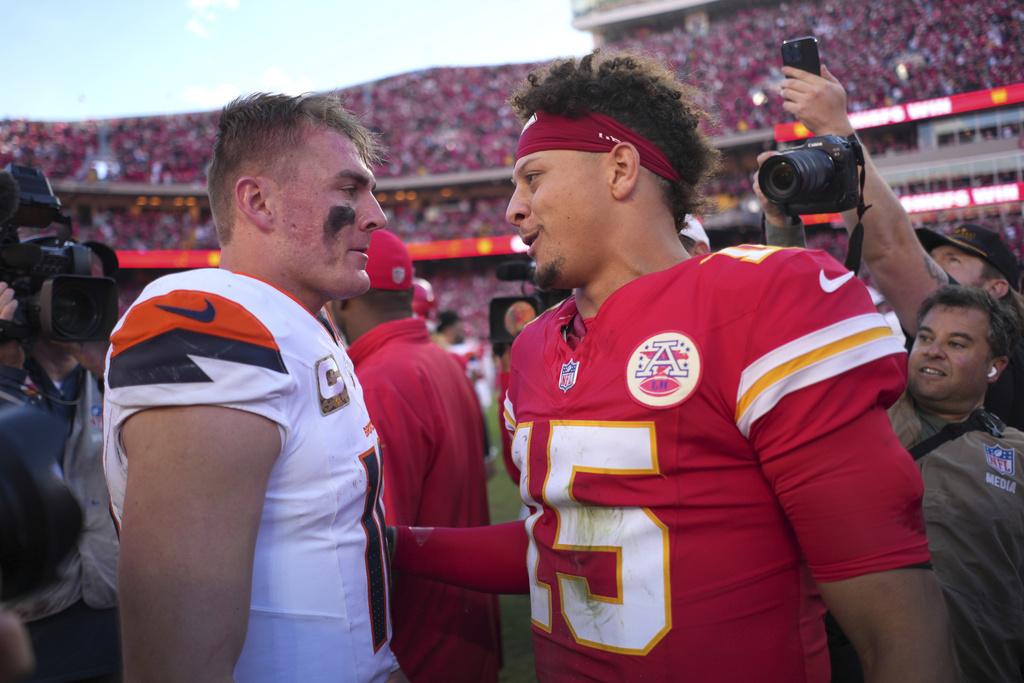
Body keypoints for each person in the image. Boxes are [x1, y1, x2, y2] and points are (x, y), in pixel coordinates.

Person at [390, 50, 957, 682]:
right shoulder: (532, 348)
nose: (513, 209)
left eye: (534, 177)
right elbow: (564, 538)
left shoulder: (760, 303)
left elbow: (896, 627)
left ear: (619, 169)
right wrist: (397, 546)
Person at [102, 92, 405, 683]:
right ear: (258, 201)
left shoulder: (302, 323)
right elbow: (177, 666)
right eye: (349, 189)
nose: (376, 216)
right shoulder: (206, 324)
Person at [761, 63, 1024, 430]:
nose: (933, 266)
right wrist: (781, 223)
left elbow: (891, 250)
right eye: (931, 258)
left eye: (952, 261)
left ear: (996, 288)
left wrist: (835, 128)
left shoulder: (1004, 362)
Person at [327, 229, 501, 683]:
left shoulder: (377, 381)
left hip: (417, 652)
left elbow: (376, 549)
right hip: (466, 637)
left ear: (345, 299)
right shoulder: (443, 361)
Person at [889, 285, 1024, 682]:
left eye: (957, 343)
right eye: (925, 338)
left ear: (994, 367)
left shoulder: (1017, 453)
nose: (932, 351)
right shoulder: (864, 416)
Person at [0, 244, 121, 683]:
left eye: (94, 289)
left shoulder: (114, 375)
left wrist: (109, 369)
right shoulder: (8, 372)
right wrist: (7, 377)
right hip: (29, 618)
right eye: (67, 290)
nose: (80, 302)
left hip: (109, 609)